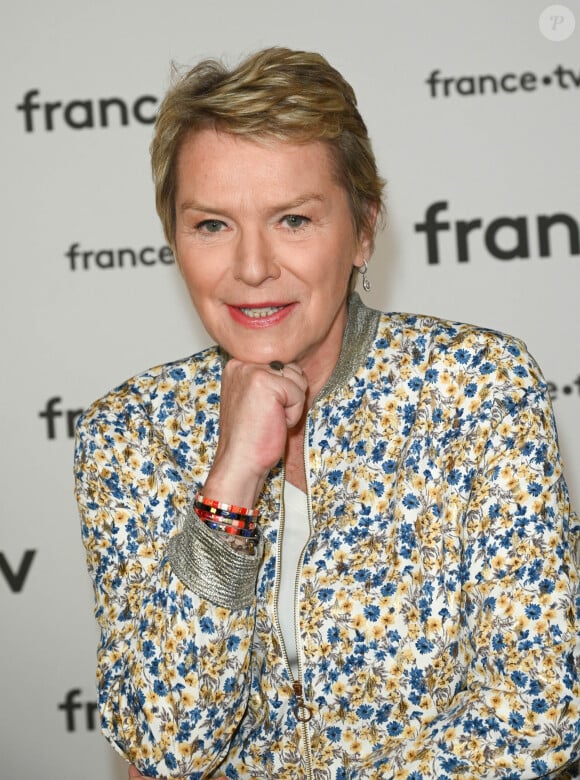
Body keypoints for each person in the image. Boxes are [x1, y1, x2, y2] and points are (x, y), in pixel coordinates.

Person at [74, 47, 580, 779]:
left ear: (364, 229)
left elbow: (536, 714)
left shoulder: (477, 388)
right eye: (212, 224)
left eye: (294, 219)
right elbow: (164, 747)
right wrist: (230, 485)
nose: (251, 267)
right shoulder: (127, 434)